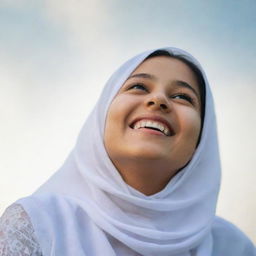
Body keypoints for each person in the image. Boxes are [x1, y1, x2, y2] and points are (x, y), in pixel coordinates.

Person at [0, 47, 255, 256]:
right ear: (100, 121)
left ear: (200, 143)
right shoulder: (38, 223)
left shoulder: (232, 246)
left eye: (183, 97)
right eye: (139, 87)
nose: (158, 101)